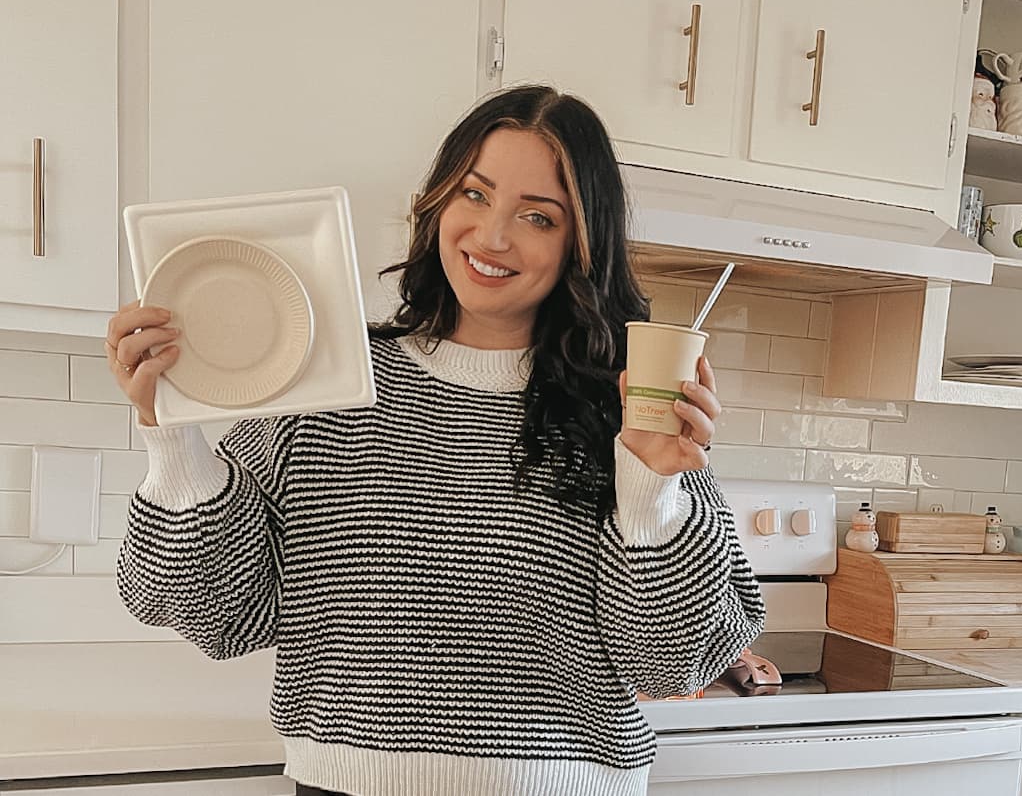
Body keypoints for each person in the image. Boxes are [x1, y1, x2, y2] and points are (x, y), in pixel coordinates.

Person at [109, 85, 765, 796]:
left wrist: (650, 491)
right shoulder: (329, 382)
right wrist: (170, 432)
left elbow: (673, 665)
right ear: (437, 201)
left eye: (537, 216)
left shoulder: (630, 409)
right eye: (474, 195)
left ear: (579, 243)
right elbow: (220, 616)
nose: (492, 236)